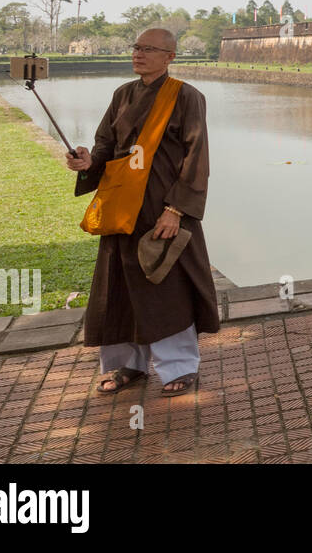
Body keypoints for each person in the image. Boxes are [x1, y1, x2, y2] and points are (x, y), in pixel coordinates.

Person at [65, 28, 220, 396]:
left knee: (168, 287)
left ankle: (179, 367)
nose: (139, 54)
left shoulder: (186, 97)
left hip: (160, 209)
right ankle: (126, 365)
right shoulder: (122, 95)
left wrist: (176, 210)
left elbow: (196, 156)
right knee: (118, 287)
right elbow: (106, 145)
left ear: (170, 57)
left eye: (149, 49)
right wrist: (88, 161)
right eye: (136, 47)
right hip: (122, 209)